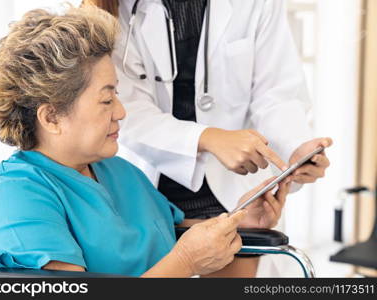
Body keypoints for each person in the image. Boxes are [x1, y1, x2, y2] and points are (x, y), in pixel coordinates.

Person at [0, 5, 291, 278]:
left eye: (117, 95)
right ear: (51, 117)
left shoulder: (120, 174)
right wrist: (185, 262)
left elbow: (205, 264)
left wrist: (239, 224)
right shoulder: (16, 199)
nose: (121, 112)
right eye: (106, 101)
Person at [85, 0, 332, 276]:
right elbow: (123, 109)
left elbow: (277, 94)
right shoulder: (111, 9)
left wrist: (295, 148)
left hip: (234, 202)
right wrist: (208, 138)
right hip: (148, 198)